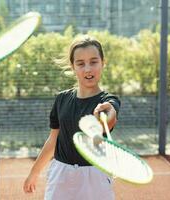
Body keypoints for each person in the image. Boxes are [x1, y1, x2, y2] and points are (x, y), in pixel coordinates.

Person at [23, 35, 121, 200]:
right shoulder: (61, 99)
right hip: (61, 174)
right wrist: (34, 172)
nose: (87, 69)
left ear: (103, 63)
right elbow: (53, 139)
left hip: (95, 176)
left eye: (93, 62)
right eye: (80, 63)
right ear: (73, 66)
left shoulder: (108, 101)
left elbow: (110, 117)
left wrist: (107, 116)